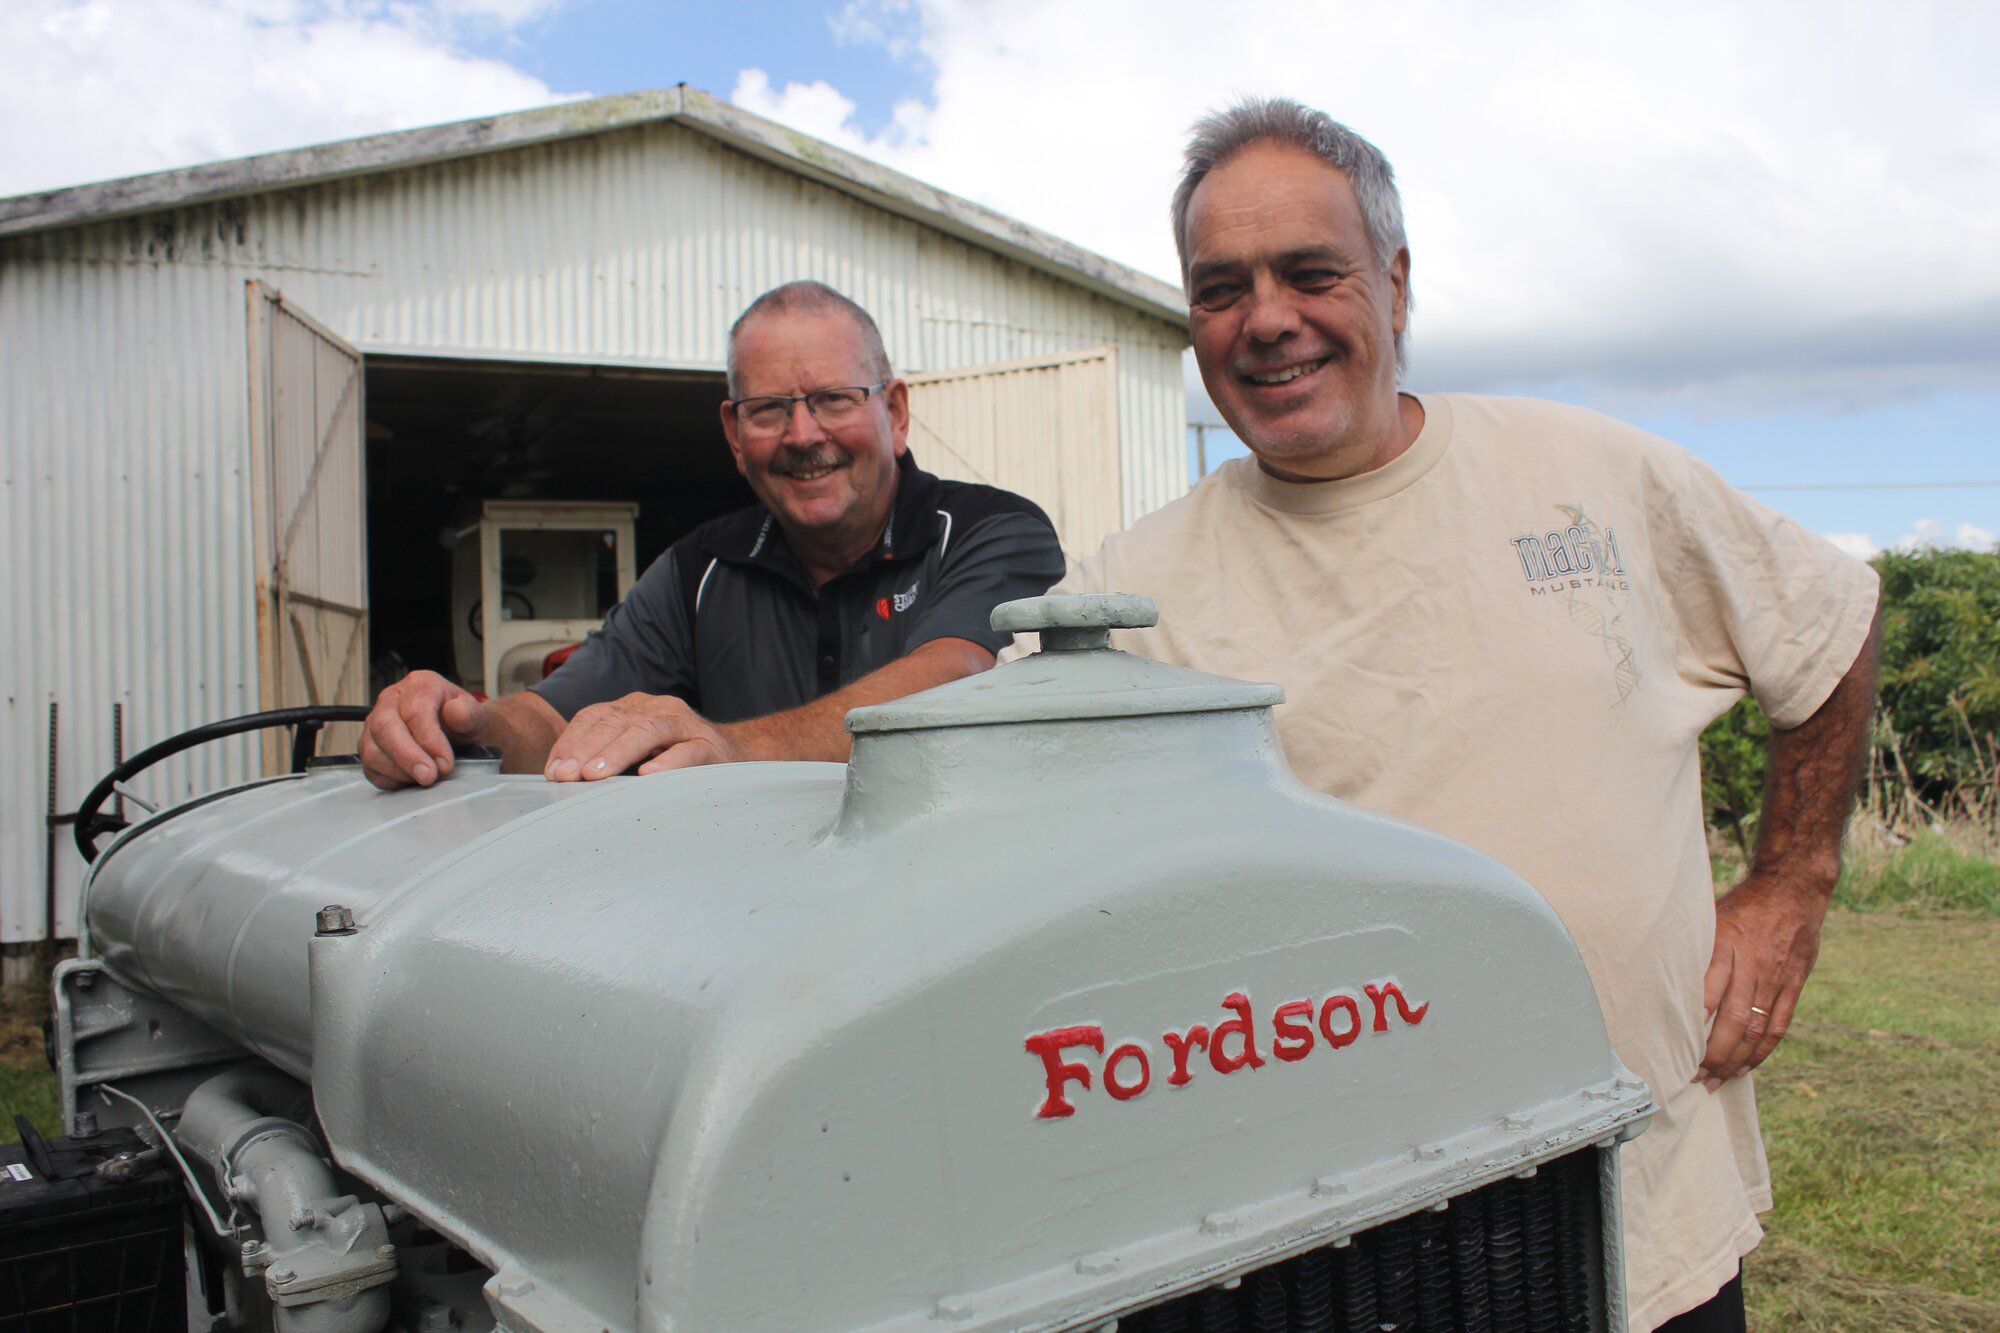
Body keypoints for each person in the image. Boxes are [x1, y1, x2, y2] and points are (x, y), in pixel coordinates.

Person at [1026, 99, 1879, 1332]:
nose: (1265, 319)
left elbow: (1827, 621)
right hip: (1324, 1247)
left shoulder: (1594, 479)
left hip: (1640, 1203)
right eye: (1220, 289)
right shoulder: (1135, 586)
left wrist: (1789, 881)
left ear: (1395, 283)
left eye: (1309, 272)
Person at [362, 281, 1065, 790]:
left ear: (897, 411)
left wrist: (731, 743)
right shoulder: (697, 569)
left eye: (833, 399)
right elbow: (548, 717)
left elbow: (953, 680)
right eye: (769, 410)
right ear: (734, 433)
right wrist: (469, 724)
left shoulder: (992, 531)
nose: (803, 435)